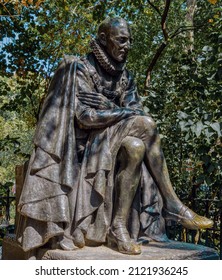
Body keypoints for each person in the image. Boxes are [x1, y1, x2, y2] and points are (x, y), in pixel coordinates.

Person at [17, 17, 213, 256]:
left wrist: (107, 105)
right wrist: (120, 110)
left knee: (135, 146)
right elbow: (86, 117)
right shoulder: (81, 69)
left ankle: (117, 227)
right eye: (121, 39)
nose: (127, 45)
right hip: (85, 147)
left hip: (114, 141)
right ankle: (172, 204)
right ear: (103, 39)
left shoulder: (126, 77)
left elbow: (136, 111)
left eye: (129, 40)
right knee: (145, 127)